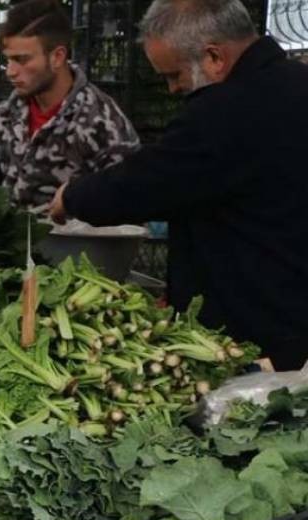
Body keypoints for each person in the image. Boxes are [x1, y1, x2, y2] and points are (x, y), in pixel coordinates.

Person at [52, 0, 308, 370]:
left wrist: (73, 196)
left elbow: (149, 181)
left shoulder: (228, 110)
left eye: (174, 75)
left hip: (260, 333)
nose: (173, 90)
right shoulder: (297, 85)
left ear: (214, 57)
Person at [0, 0, 138, 207]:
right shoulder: (1, 119)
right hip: (8, 238)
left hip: (76, 239)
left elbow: (126, 208)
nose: (10, 71)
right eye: (8, 60)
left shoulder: (102, 123)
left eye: (22, 60)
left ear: (57, 57)